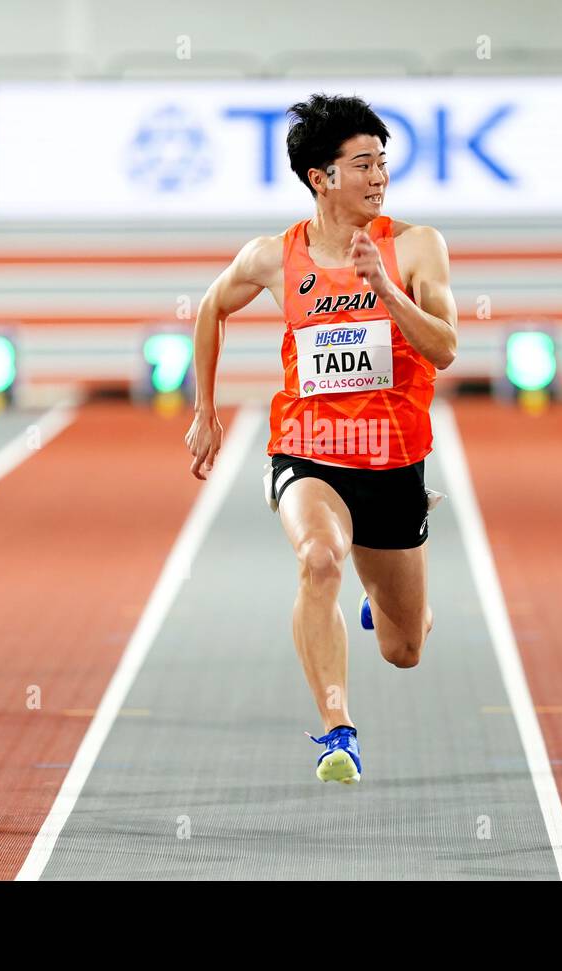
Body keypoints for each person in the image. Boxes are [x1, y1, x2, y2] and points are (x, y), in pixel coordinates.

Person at [184, 94, 458, 782]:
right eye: (363, 163)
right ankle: (339, 729)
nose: (379, 176)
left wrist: (387, 292)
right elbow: (211, 307)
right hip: (307, 451)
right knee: (318, 559)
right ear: (320, 177)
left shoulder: (417, 246)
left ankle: (389, 595)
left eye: (383, 162)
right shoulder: (274, 256)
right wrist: (204, 411)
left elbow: (447, 347)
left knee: (404, 647)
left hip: (395, 458)